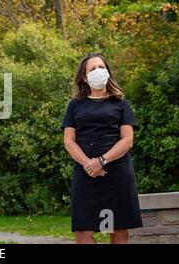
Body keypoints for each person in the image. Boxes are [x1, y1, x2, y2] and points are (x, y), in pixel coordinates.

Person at [61, 52, 143, 244]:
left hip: (116, 172)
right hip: (85, 172)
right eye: (93, 68)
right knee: (83, 231)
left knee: (117, 229)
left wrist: (102, 161)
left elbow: (127, 140)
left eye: (101, 67)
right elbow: (69, 141)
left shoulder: (121, 104)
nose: (98, 71)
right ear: (84, 76)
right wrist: (89, 165)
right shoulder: (74, 105)